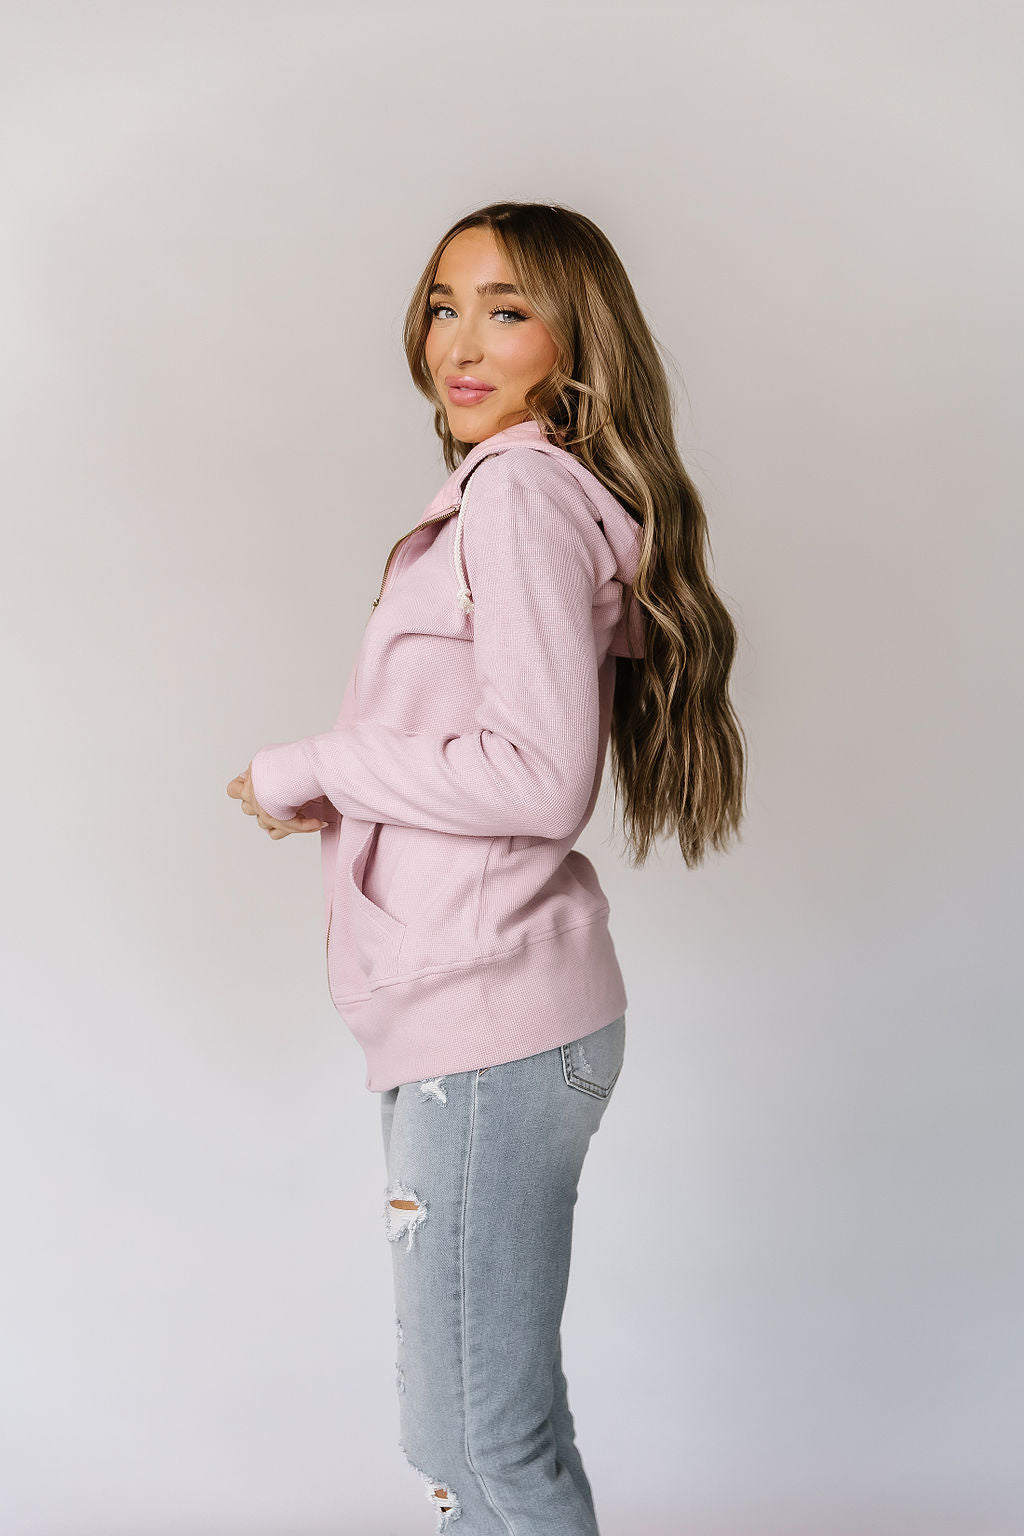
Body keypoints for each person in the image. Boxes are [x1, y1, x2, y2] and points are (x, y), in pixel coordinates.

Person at [226, 200, 746, 1534]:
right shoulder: (506, 496)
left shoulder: (517, 495)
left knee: (478, 1440)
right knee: (480, 1432)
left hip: (492, 1025)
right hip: (478, 1017)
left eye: (506, 311)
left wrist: (317, 764)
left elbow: (537, 778)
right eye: (443, 306)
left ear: (574, 341)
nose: (459, 343)